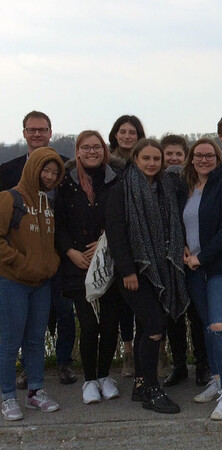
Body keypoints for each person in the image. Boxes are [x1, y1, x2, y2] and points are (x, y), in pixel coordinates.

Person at [105, 139, 188, 414]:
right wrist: (128, 270)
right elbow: (117, 234)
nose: (152, 163)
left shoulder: (167, 187)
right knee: (154, 324)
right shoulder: (121, 189)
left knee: (146, 326)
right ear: (136, 159)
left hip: (162, 269)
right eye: (146, 158)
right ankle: (152, 389)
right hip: (134, 273)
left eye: (157, 159)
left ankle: (141, 384)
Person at [2, 111, 76, 388]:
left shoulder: (64, 170)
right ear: (24, 133)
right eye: (31, 129)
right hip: (20, 264)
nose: (36, 134)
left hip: (57, 256)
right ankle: (23, 375)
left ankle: (64, 362)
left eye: (42, 129)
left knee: (65, 311)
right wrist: (16, 260)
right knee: (23, 325)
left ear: (50, 133)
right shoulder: (8, 172)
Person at [54, 131, 123, 405]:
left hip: (107, 263)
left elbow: (122, 218)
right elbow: (58, 223)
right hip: (77, 264)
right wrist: (69, 250)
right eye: (86, 147)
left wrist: (106, 242)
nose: (92, 151)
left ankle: (105, 375)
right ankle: (89, 380)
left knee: (109, 324)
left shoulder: (115, 180)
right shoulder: (65, 183)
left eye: (97, 147)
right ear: (78, 151)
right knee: (89, 324)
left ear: (104, 150)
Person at [182, 138, 222, 420]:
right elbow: (186, 223)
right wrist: (185, 249)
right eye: (199, 155)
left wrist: (202, 256)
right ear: (191, 158)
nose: (204, 160)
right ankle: (218, 379)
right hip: (195, 268)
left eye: (210, 155)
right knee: (208, 326)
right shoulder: (189, 188)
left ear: (218, 158)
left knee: (220, 325)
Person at [0, 147, 64, 421]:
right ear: (32, 169)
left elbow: (49, 243)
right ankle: (7, 396)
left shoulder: (47, 204)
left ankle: (35, 392)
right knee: (10, 342)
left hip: (42, 283)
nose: (49, 177)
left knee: (36, 340)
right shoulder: (8, 198)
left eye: (54, 172)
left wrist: (51, 264)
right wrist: (21, 262)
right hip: (13, 282)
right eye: (45, 170)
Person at [159, 134, 210, 387]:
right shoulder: (156, 183)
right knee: (173, 315)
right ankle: (179, 366)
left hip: (191, 257)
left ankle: (203, 365)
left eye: (179, 154)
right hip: (168, 259)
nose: (174, 159)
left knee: (197, 315)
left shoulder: (192, 183)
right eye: (169, 154)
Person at [108, 114, 146, 378]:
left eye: (132, 132)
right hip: (115, 237)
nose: (127, 136)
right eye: (123, 131)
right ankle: (128, 353)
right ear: (115, 134)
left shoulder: (146, 161)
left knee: (146, 299)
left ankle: (151, 351)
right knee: (121, 304)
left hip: (143, 239)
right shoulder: (107, 164)